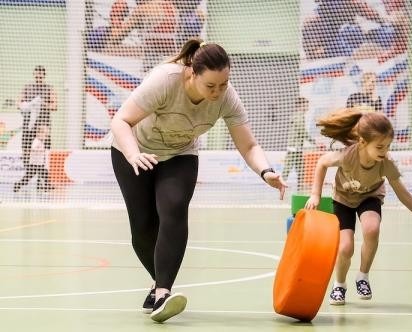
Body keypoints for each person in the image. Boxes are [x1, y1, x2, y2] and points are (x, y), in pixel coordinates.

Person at [110, 38, 287, 323]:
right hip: (134, 152)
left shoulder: (227, 97)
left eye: (224, 84)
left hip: (180, 154)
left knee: (174, 207)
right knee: (142, 228)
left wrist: (266, 172)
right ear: (192, 73)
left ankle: (163, 293)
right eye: (211, 86)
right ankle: (158, 284)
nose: (218, 92)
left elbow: (249, 145)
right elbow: (121, 121)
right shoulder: (165, 80)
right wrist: (133, 155)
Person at [304, 109, 412, 306]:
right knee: (345, 248)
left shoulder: (386, 163)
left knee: (372, 229)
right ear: (362, 142)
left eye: (387, 146)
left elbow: (404, 194)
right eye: (380, 146)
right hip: (342, 200)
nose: (384, 151)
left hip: (369, 197)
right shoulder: (347, 156)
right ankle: (339, 285)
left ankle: (363, 276)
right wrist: (315, 194)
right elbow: (321, 163)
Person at [18, 65, 57, 167]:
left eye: (40, 76)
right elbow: (19, 104)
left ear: (44, 76)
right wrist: (29, 105)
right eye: (36, 76)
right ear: (34, 75)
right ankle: (27, 169)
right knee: (26, 147)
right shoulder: (27, 87)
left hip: (43, 124)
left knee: (44, 147)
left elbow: (54, 106)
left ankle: (43, 173)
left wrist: (43, 104)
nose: (38, 78)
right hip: (29, 123)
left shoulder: (49, 88)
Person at [281, 97, 319, 191]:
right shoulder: (299, 116)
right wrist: (313, 141)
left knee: (300, 167)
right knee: (288, 167)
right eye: (306, 105)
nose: (307, 107)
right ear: (300, 105)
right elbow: (302, 131)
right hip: (294, 147)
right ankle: (281, 184)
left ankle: (300, 186)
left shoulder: (298, 115)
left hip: (296, 147)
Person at [13, 125, 52, 192]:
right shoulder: (36, 141)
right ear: (38, 133)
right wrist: (40, 150)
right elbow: (32, 149)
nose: (45, 135)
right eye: (43, 133)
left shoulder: (41, 141)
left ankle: (47, 186)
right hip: (34, 163)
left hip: (39, 163)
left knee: (45, 174)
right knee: (28, 177)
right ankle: (17, 185)